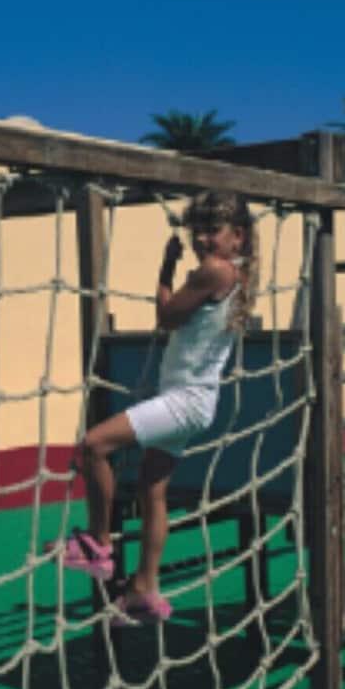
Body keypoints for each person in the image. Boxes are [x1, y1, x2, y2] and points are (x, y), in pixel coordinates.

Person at [54, 190, 258, 626]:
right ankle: (145, 587)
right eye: (196, 230)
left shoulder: (214, 271)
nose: (202, 239)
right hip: (195, 401)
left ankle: (99, 543)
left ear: (237, 236)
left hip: (183, 401)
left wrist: (166, 267)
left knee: (92, 446)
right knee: (152, 488)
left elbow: (166, 316)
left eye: (212, 230)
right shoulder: (235, 275)